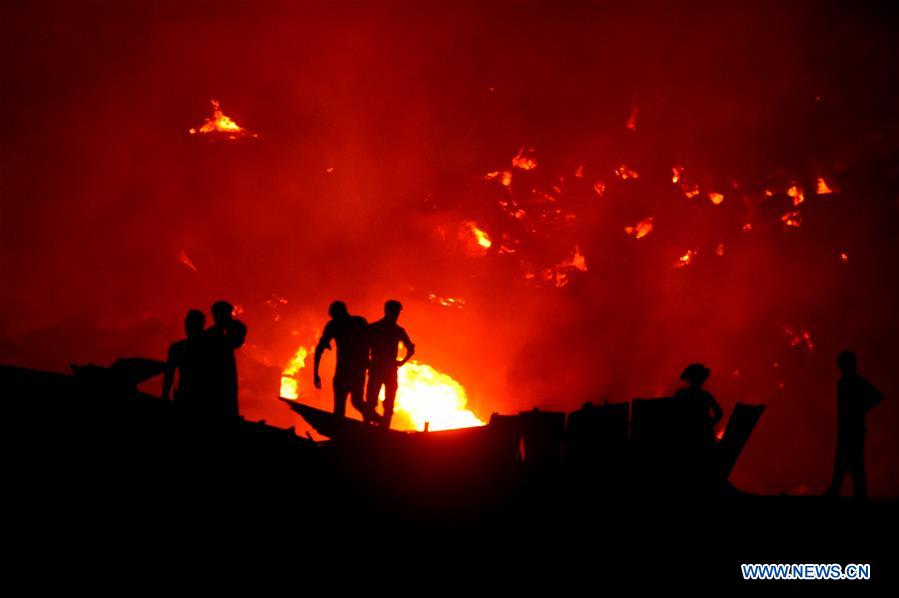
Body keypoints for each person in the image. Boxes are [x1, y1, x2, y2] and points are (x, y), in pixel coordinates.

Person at [824, 350, 884, 499]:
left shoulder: (851, 382)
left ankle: (839, 491)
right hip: (851, 429)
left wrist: (861, 408)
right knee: (850, 464)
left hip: (852, 430)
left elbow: (878, 396)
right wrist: (862, 409)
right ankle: (850, 493)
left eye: (841, 363)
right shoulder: (846, 382)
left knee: (848, 463)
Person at [313, 301, 371, 422]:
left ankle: (372, 423)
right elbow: (371, 343)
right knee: (356, 402)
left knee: (348, 404)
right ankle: (375, 422)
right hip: (354, 370)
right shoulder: (359, 321)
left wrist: (316, 374)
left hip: (348, 370)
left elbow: (319, 349)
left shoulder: (335, 324)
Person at [366, 300, 415, 429]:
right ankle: (377, 427)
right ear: (388, 311)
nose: (397, 314)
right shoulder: (395, 330)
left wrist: (402, 362)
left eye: (398, 312)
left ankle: (379, 428)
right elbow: (411, 349)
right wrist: (402, 362)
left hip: (383, 369)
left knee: (381, 401)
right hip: (384, 369)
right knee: (377, 401)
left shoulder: (376, 327)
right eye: (396, 312)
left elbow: (411, 348)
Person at [203, 300, 247, 420]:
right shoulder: (213, 337)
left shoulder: (216, 334)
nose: (230, 317)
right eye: (228, 314)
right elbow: (238, 338)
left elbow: (240, 337)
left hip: (224, 386)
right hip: (216, 386)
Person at [161, 309, 207, 406]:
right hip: (199, 398)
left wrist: (165, 395)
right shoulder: (209, 348)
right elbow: (169, 374)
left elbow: (169, 375)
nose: (188, 326)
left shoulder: (177, 348)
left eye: (190, 324)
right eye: (188, 323)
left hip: (185, 396)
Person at [673, 363, 724, 442]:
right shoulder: (705, 395)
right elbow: (719, 413)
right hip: (702, 438)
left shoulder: (682, 393)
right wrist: (708, 426)